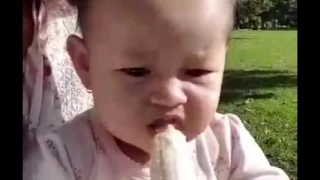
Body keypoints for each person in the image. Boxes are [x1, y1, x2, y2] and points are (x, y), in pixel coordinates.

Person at [24, 0, 290, 179]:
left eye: (196, 72)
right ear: (85, 66)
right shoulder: (62, 157)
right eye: (137, 72)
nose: (170, 96)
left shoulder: (227, 144)